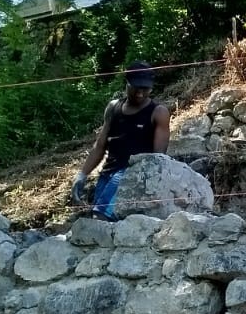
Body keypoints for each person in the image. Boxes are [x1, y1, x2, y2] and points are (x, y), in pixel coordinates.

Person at [72, 62, 171, 219]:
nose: (140, 94)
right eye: (136, 88)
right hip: (108, 172)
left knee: (102, 215)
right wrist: (82, 175)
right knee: (98, 219)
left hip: (133, 174)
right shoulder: (113, 108)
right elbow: (100, 146)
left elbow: (158, 158)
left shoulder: (158, 113)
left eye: (145, 89)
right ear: (127, 83)